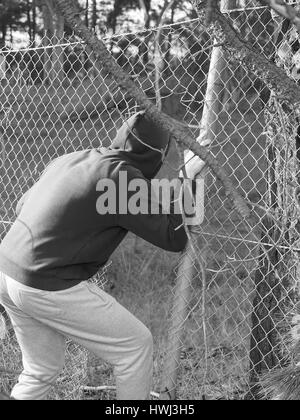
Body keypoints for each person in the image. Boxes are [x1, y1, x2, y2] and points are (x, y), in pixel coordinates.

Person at [0, 111, 205, 400]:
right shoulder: (119, 178)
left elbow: (22, 206)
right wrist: (187, 179)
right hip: (43, 281)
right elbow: (175, 237)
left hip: (7, 270)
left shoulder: (74, 157)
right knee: (134, 346)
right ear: (158, 154)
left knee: (41, 368)